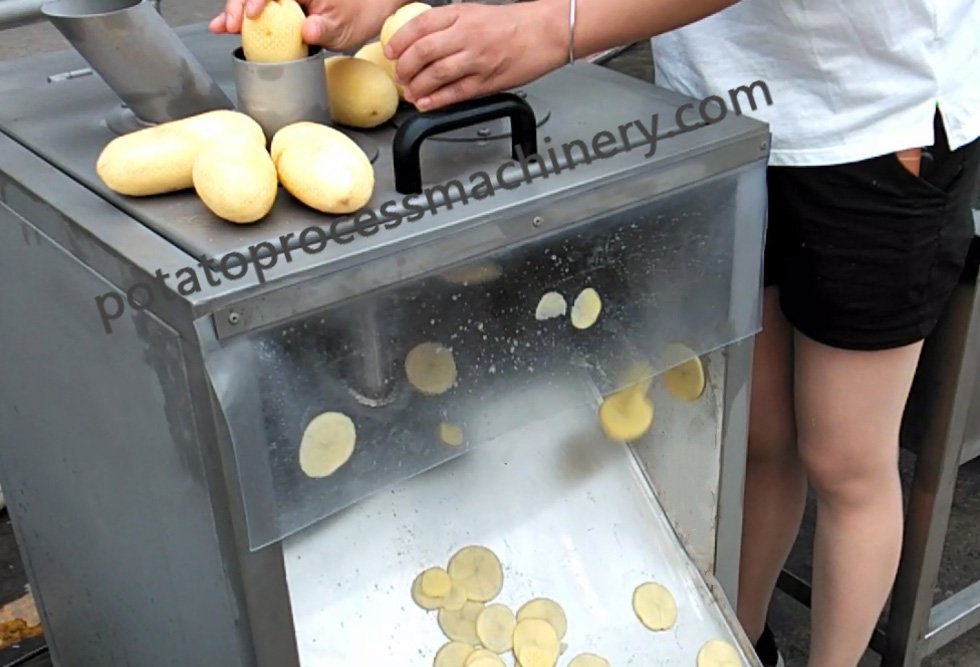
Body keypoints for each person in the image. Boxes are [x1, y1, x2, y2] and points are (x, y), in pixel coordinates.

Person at [212, 1, 980, 666]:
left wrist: (559, 25)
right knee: (758, 434)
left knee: (845, 460)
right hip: (717, 110)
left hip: (872, 124)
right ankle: (745, 639)